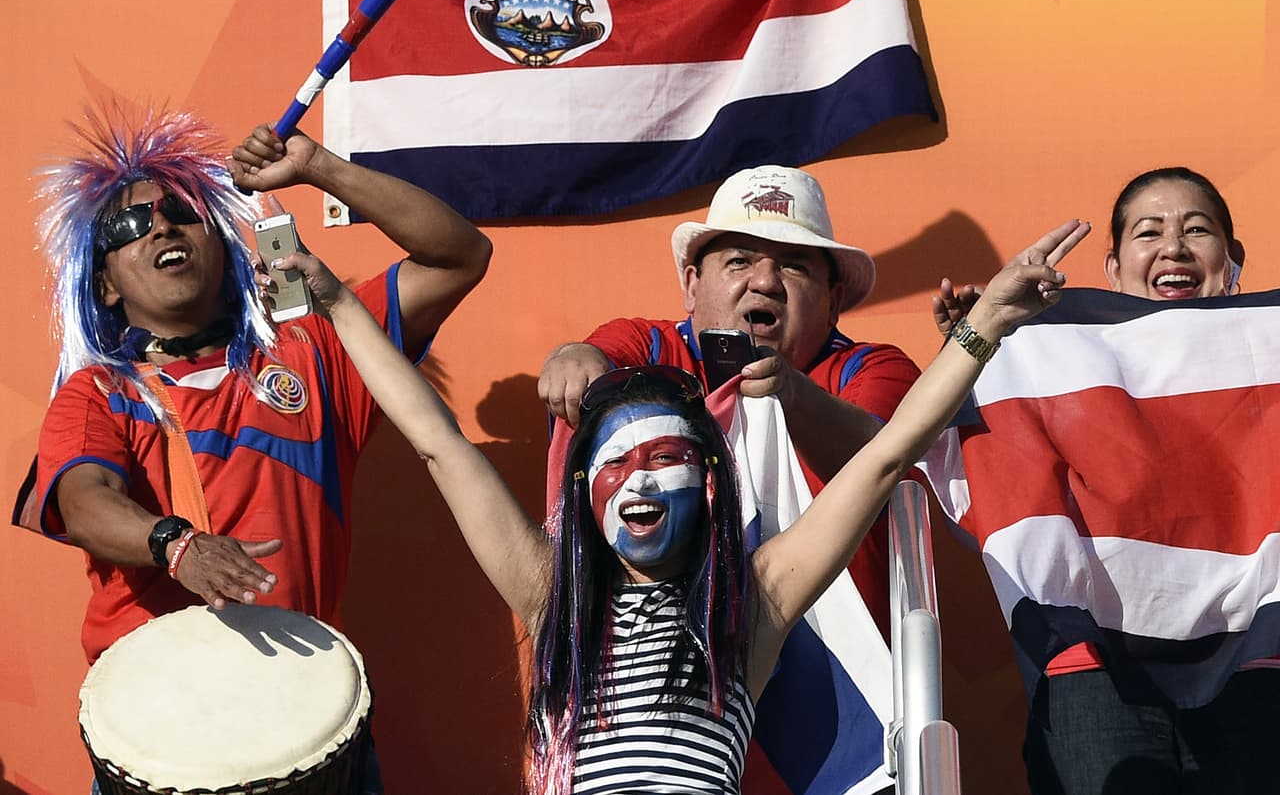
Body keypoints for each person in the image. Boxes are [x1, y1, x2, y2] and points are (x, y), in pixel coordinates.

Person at [281, 220, 1085, 793]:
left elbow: (884, 456)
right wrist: (340, 303)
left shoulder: (753, 604)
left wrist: (985, 324)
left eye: (663, 458)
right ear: (584, 493)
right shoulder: (554, 596)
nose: (637, 481)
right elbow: (438, 442)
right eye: (616, 463)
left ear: (707, 485)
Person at [32, 106, 492, 668]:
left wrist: (319, 166)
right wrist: (178, 546)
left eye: (182, 210)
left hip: (304, 690)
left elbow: (458, 258)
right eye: (128, 227)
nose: (162, 227)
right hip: (157, 694)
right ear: (104, 284)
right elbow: (85, 504)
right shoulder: (97, 393)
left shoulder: (318, 350)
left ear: (223, 245)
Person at [932, 168, 1268, 795]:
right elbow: (991, 520)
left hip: (1259, 655)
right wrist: (976, 348)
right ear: (1113, 269)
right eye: (1149, 232)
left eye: (1197, 230)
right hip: (1093, 668)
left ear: (1233, 259)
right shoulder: (1045, 357)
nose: (1173, 247)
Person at [539, 165, 921, 633]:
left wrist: (790, 393)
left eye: (794, 266)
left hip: (834, 661)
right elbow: (588, 364)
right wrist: (570, 358)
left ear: (833, 301)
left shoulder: (873, 369)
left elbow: (882, 460)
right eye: (739, 261)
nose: (765, 282)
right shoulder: (648, 347)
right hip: (655, 650)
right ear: (692, 285)